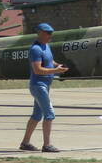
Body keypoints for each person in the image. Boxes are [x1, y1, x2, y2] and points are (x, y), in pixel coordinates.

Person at [20, 22, 68, 153]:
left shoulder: (46, 46)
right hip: (38, 86)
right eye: (48, 33)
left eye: (51, 33)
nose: (50, 36)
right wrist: (55, 71)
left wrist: (58, 65)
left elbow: (49, 61)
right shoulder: (36, 49)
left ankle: (25, 143)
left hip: (45, 86)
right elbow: (37, 69)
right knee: (49, 114)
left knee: (36, 115)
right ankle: (47, 145)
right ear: (40, 33)